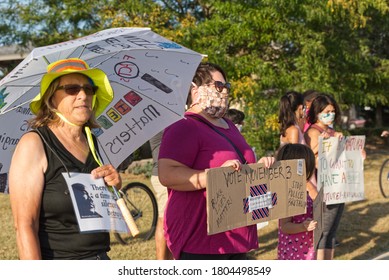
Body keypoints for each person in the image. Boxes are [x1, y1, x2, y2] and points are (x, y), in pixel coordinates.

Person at [158, 62, 274, 260]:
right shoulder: (184, 126)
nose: (225, 92)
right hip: (202, 240)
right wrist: (214, 176)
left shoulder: (228, 125)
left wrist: (260, 168)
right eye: (218, 86)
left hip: (236, 234)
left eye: (227, 87)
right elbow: (167, 174)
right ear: (195, 89)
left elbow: (240, 168)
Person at [9, 58, 121, 260]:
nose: (83, 95)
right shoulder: (34, 144)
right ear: (52, 99)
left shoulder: (91, 142)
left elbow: (91, 211)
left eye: (89, 89)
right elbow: (24, 225)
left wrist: (112, 189)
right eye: (71, 89)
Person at [304, 93, 344, 260]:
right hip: (323, 187)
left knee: (332, 233)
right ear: (317, 112)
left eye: (333, 111)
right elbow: (310, 161)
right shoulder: (313, 132)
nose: (331, 114)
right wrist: (322, 144)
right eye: (327, 111)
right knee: (324, 231)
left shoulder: (332, 130)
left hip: (338, 185)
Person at [276, 143, 318, 260]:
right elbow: (284, 226)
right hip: (294, 253)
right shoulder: (287, 193)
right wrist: (303, 227)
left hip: (308, 247)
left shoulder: (303, 188)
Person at [278, 91, 318, 200]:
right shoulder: (293, 130)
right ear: (300, 108)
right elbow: (295, 161)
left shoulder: (293, 128)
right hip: (301, 181)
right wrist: (310, 187)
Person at [149, 130, 173, 260]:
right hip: (163, 176)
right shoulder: (161, 122)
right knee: (164, 220)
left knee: (166, 219)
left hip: (163, 174)